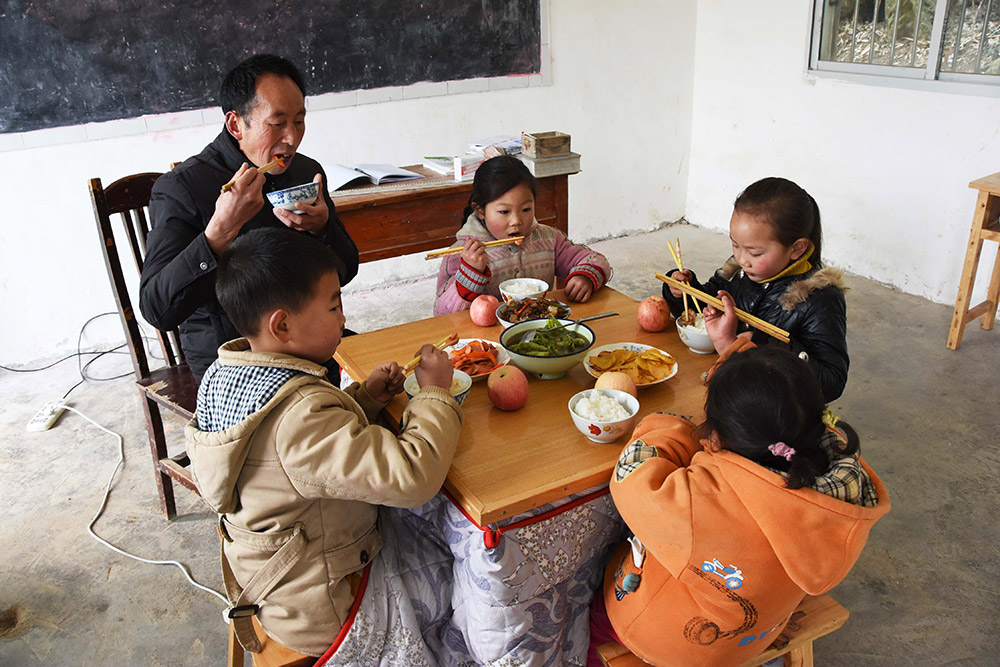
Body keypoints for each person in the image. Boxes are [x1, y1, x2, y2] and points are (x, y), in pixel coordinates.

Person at [185, 227, 462, 657]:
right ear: (282, 324)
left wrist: (365, 399)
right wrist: (435, 395)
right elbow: (413, 477)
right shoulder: (300, 418)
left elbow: (294, 459)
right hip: (325, 603)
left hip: (286, 571)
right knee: (468, 578)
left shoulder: (228, 374)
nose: (344, 319)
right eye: (334, 305)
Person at [588, 345, 890, 667]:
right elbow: (780, 396)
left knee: (595, 609)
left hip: (677, 645)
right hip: (759, 634)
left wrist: (670, 427)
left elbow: (633, 478)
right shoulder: (843, 485)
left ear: (718, 436)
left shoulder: (701, 500)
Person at [140, 53, 359, 381]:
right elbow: (158, 309)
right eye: (277, 123)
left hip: (311, 343)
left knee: (391, 380)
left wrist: (323, 229)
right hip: (235, 359)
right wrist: (219, 231)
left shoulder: (305, 172)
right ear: (235, 124)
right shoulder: (183, 187)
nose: (291, 138)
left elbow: (347, 270)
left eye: (299, 121)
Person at [662, 177, 848, 402]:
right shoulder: (740, 272)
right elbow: (708, 309)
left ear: (797, 249)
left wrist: (761, 345)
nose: (742, 259)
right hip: (731, 386)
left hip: (775, 409)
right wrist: (685, 291)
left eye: (755, 253)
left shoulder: (820, 299)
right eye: (735, 245)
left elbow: (831, 382)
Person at [434, 155, 611, 315]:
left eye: (526, 209)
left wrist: (586, 276)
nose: (516, 220)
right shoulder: (462, 253)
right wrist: (470, 273)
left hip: (540, 334)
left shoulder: (548, 239)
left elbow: (593, 259)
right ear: (480, 211)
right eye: (504, 211)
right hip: (486, 343)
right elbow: (442, 314)